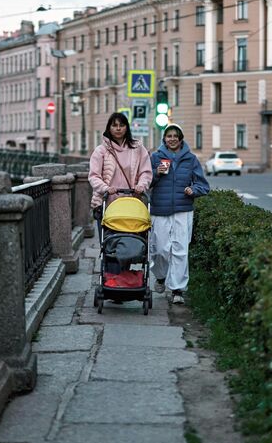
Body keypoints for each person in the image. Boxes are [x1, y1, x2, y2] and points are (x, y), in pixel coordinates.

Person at [149, 123, 210, 305]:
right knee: (159, 248)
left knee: (180, 249)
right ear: (164, 139)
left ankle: (177, 289)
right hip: (160, 208)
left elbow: (203, 185)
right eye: (169, 136)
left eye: (176, 136)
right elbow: (145, 182)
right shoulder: (155, 157)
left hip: (183, 209)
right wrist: (156, 173)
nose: (173, 139)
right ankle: (160, 276)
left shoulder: (191, 159)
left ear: (181, 138)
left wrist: (193, 190)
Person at [88, 111, 153, 248]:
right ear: (109, 128)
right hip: (107, 203)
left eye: (121, 125)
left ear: (127, 127)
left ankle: (126, 269)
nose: (118, 128)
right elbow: (94, 176)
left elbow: (146, 172)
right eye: (114, 125)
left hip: (132, 205)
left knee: (132, 244)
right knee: (110, 245)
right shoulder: (101, 151)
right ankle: (112, 269)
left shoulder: (137, 149)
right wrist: (106, 188)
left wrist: (141, 185)